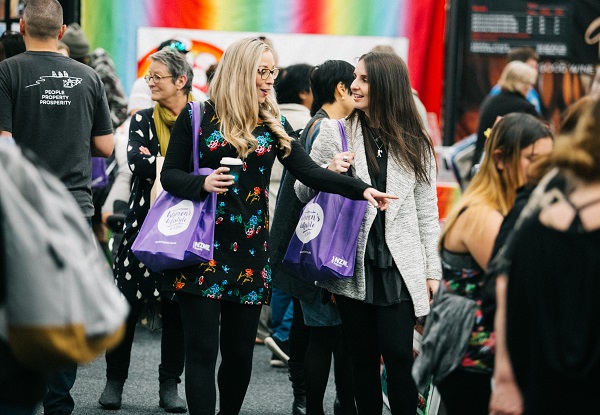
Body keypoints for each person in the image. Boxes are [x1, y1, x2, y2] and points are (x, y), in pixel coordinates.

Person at [160, 37, 395, 415]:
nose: (270, 79)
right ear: (241, 71)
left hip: (252, 253)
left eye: (273, 71)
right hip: (201, 249)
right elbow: (170, 175)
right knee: (202, 352)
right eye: (262, 71)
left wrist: (361, 188)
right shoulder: (198, 116)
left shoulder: (273, 124)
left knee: (238, 355)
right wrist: (201, 183)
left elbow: (312, 174)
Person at [294, 51, 441, 415]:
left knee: (398, 355)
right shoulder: (335, 131)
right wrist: (328, 169)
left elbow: (427, 213)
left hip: (399, 264)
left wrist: (432, 271)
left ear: (386, 86)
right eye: (354, 78)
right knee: (360, 358)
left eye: (363, 79)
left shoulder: (415, 143)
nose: (354, 86)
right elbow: (302, 192)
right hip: (351, 261)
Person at [0, 1, 114, 414]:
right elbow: (106, 145)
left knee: (18, 300)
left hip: (21, 210)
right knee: (64, 306)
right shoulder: (88, 77)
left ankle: (15, 399)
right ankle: (58, 403)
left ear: (21, 24)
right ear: (63, 29)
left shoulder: (7, 71)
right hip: (73, 208)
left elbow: (4, 143)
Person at [435, 113, 553, 415]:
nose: (544, 169)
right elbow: (518, 285)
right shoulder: (483, 215)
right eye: (532, 158)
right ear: (500, 159)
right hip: (473, 357)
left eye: (549, 160)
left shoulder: (500, 206)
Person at [487, 97, 596, 415]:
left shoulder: (539, 221)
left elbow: (505, 291)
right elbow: (500, 287)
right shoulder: (535, 211)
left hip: (543, 387)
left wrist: (507, 379)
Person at [99, 49, 193, 413]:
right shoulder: (141, 119)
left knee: (176, 311)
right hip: (141, 225)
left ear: (180, 81)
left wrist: (170, 166)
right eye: (149, 76)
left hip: (185, 226)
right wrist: (183, 169)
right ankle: (113, 381)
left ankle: (170, 385)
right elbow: (137, 162)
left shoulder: (201, 116)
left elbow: (208, 162)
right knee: (126, 305)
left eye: (157, 76)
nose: (149, 82)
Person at [271, 59, 357, 415]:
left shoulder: (315, 125)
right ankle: (308, 402)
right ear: (341, 89)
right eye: (357, 83)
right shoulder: (326, 129)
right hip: (317, 247)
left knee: (311, 331)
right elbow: (310, 189)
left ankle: (305, 400)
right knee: (320, 333)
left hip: (303, 244)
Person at [265, 62, 314, 370]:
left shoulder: (271, 117)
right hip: (292, 207)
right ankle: (283, 335)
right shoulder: (306, 123)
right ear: (305, 92)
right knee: (294, 275)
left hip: (266, 208)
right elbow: (310, 173)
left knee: (279, 276)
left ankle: (277, 335)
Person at [472, 60, 540, 173]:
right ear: (521, 83)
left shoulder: (491, 100)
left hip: (484, 163)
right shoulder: (523, 107)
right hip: (507, 169)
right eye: (529, 83)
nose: (530, 88)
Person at [490, 47, 542, 114]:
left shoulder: (532, 92)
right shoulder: (499, 93)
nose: (535, 72)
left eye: (536, 68)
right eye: (531, 67)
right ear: (516, 68)